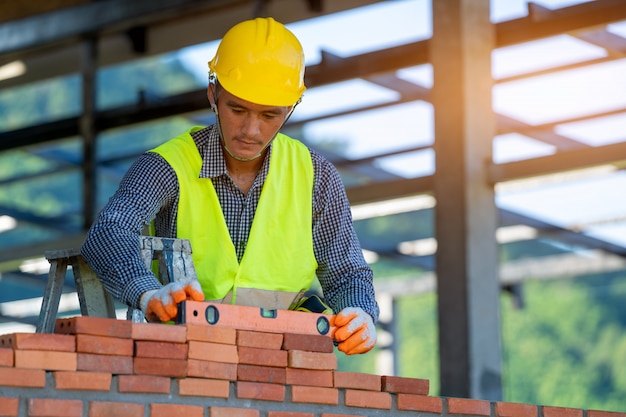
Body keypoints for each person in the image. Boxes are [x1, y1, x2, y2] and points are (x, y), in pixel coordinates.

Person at [81, 17, 378, 355]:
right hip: (181, 357)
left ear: (292, 108)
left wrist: (362, 314)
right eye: (238, 109)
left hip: (280, 362)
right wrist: (148, 293)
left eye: (269, 116)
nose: (251, 130)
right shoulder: (166, 167)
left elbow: (347, 273)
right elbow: (109, 232)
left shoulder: (316, 176)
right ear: (214, 93)